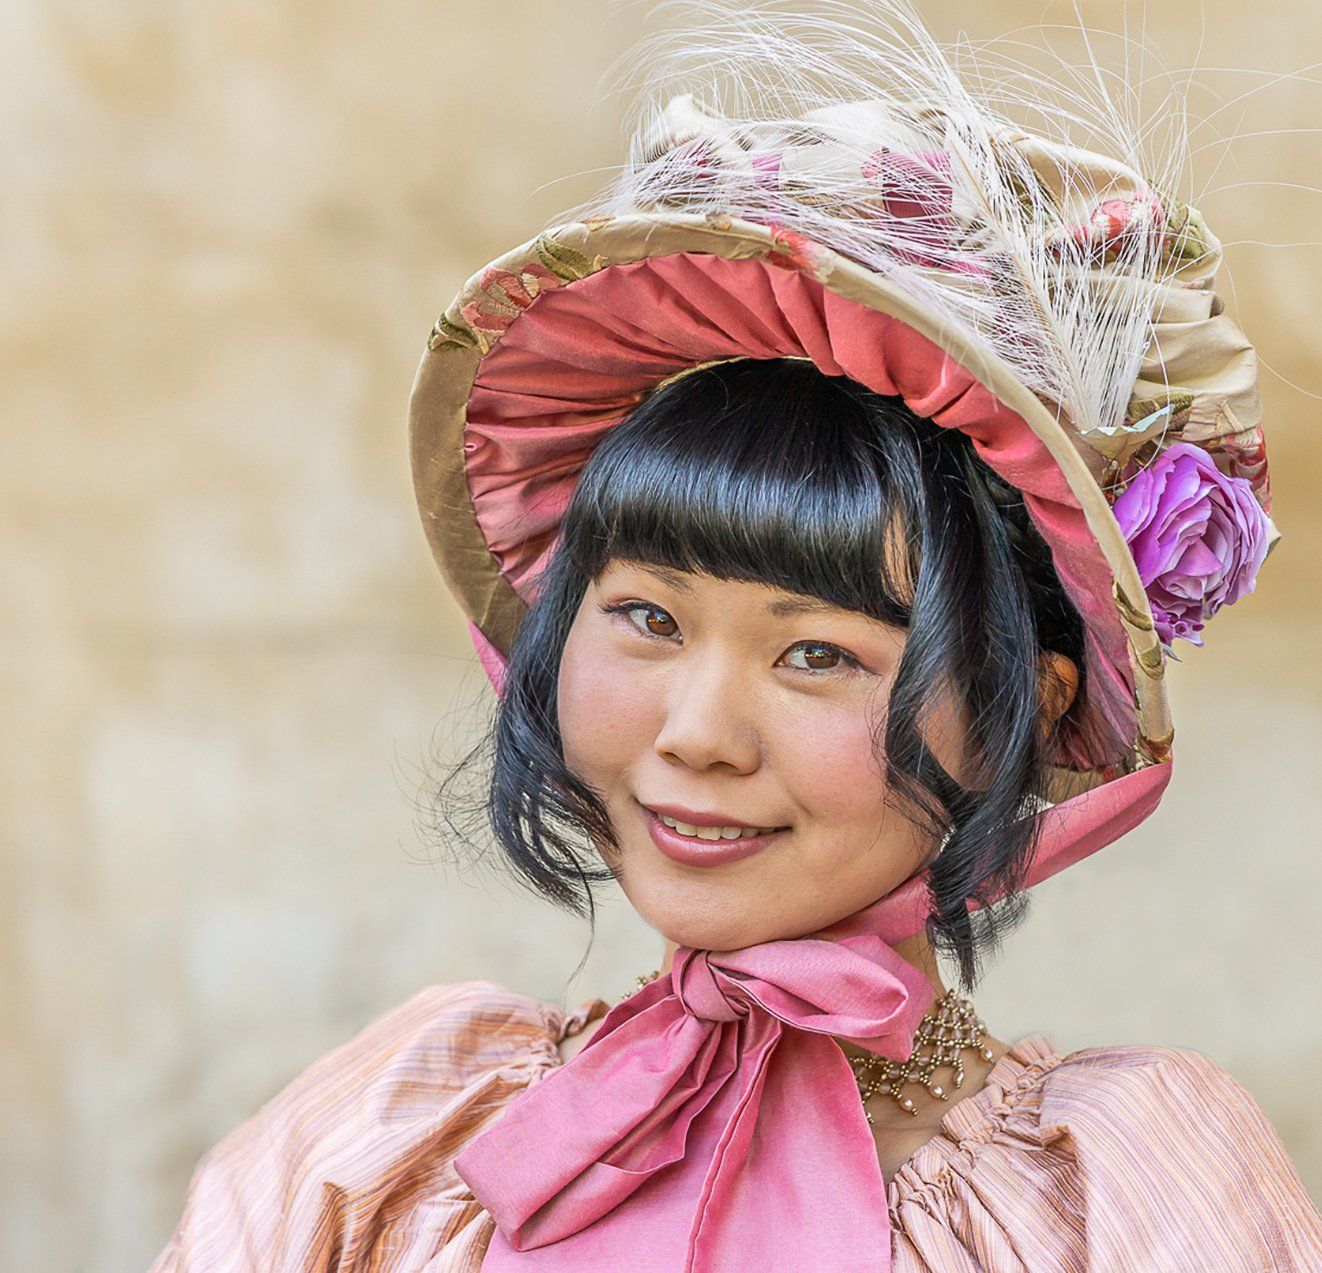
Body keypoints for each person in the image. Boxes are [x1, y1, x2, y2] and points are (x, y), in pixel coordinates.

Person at [152, 3, 1321, 1269]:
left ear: (1017, 710)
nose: (697, 734)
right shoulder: (389, 1138)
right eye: (647, 618)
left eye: (815, 653)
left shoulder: (1122, 1193)